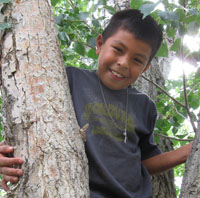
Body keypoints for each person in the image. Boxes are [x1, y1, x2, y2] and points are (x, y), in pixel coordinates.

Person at [0, 9, 192, 198]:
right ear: (100, 44)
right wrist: (5, 156)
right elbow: (29, 123)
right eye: (118, 49)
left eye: (137, 60)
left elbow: (146, 161)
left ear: (145, 68)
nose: (124, 63)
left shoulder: (145, 106)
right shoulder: (68, 79)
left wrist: (190, 150)